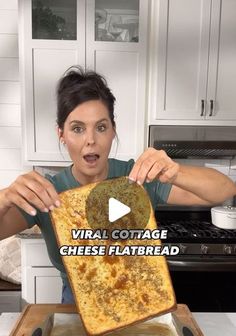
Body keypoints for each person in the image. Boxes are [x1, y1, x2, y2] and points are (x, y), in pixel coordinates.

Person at [0, 66, 235, 303]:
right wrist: (5, 197)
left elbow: (225, 190)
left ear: (113, 131)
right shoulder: (47, 193)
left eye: (101, 127)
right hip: (78, 304)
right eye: (77, 129)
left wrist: (176, 171)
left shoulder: (138, 178)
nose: (90, 140)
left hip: (136, 299)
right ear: (61, 134)